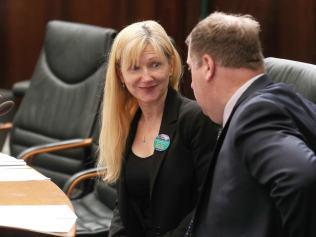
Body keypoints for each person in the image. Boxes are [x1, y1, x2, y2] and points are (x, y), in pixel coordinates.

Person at [185, 12, 316, 237]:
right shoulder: (282, 98)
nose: (191, 84)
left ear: (207, 66)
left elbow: (301, 178)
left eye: (190, 69)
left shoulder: (255, 113)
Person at [98, 20, 219, 237]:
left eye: (155, 64)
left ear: (171, 65)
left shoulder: (195, 119)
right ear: (120, 75)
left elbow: (210, 205)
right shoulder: (127, 122)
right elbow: (123, 204)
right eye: (135, 68)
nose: (147, 77)